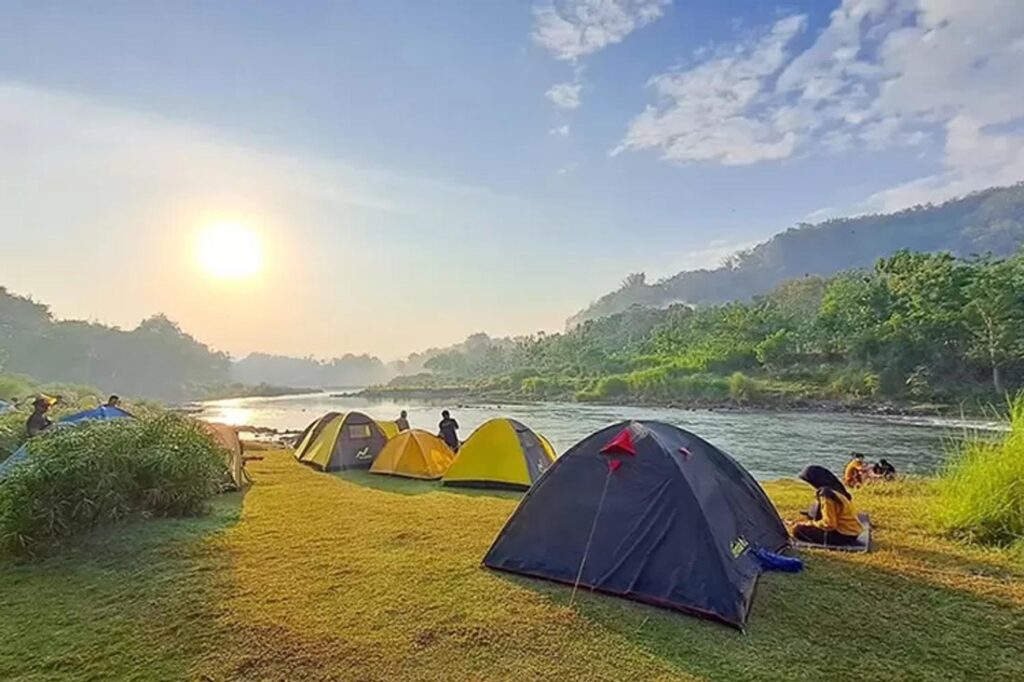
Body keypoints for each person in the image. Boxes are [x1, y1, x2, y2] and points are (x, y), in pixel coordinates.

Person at [790, 465, 863, 546]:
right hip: (852, 532)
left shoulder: (826, 495)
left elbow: (829, 524)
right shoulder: (835, 489)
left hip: (844, 535)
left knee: (797, 530)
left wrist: (808, 523)